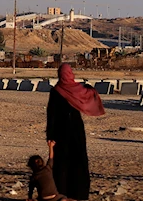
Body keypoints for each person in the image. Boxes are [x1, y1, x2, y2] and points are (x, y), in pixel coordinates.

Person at [46, 63, 105, 201]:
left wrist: (50, 136)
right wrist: (88, 87)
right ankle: (79, 193)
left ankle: (62, 192)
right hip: (76, 129)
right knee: (78, 160)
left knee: (61, 163)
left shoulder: (56, 91)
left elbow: (51, 115)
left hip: (60, 131)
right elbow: (90, 91)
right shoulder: (78, 89)